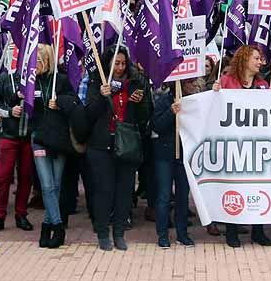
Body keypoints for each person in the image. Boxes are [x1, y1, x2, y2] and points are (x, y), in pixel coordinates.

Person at [80, 48, 145, 251]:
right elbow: (88, 115)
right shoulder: (96, 82)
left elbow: (144, 117)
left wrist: (141, 103)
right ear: (108, 63)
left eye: (123, 63)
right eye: (116, 63)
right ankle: (102, 233)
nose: (119, 68)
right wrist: (101, 96)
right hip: (101, 145)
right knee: (103, 191)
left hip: (126, 145)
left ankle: (119, 232)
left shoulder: (135, 83)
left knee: (124, 192)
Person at [216, 45, 271, 247]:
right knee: (234, 187)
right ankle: (231, 231)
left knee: (258, 188)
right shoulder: (225, 83)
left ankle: (258, 230)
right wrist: (214, 94)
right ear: (244, 59)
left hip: (257, 146)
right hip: (234, 147)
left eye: (261, 59)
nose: (260, 62)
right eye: (256, 58)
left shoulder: (264, 85)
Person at [26, 44, 78, 248]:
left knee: (56, 185)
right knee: (46, 185)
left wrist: (60, 103)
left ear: (46, 61)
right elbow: (17, 100)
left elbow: (75, 103)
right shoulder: (31, 82)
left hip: (58, 140)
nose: (34, 66)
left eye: (36, 62)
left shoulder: (61, 80)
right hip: (38, 137)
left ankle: (47, 225)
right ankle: (57, 226)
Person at [0, 54, 34, 233]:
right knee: (3, 177)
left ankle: (21, 214)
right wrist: (9, 111)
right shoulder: (4, 78)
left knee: (25, 176)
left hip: (29, 135)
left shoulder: (35, 78)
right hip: (8, 134)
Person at [151, 79, 198, 247]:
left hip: (184, 155)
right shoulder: (163, 101)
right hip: (165, 154)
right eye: (190, 83)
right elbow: (156, 126)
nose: (193, 86)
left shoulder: (193, 102)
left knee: (182, 197)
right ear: (181, 84)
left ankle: (182, 233)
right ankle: (162, 235)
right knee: (164, 196)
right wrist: (171, 112)